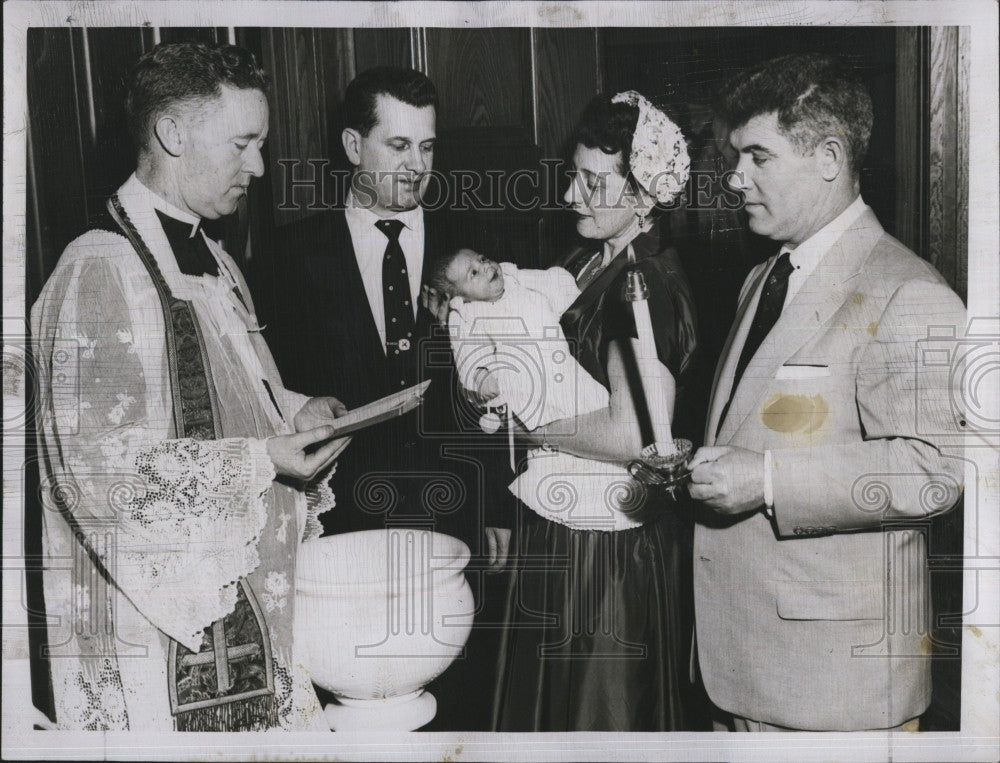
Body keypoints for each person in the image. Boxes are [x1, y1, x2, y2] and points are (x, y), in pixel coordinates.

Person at [30, 42, 352, 730]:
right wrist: (264, 459)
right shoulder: (99, 271)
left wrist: (297, 411)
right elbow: (99, 473)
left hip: (251, 603)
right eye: (243, 144)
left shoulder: (214, 258)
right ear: (173, 134)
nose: (259, 167)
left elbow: (228, 394)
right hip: (153, 636)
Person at [688, 53, 966, 732]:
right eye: (735, 156)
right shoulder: (764, 278)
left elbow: (938, 471)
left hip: (835, 688)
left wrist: (770, 478)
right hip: (745, 667)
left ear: (829, 157)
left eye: (758, 156)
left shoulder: (910, 291)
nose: (734, 177)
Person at [262, 66, 513, 730]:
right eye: (397, 146)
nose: (417, 165)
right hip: (342, 531)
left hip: (454, 520)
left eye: (427, 147)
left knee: (458, 708)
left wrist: (496, 501)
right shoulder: (293, 255)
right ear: (352, 147)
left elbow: (503, 378)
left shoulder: (472, 240)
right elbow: (270, 392)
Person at [491, 91, 707, 731]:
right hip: (567, 524)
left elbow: (630, 433)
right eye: (573, 176)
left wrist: (530, 426)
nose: (571, 196)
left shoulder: (648, 284)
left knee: (596, 715)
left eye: (592, 182)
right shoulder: (590, 261)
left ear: (643, 194)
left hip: (607, 555)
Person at [428, 247, 609, 432]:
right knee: (549, 437)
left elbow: (553, 282)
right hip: (523, 384)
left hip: (560, 367)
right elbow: (467, 352)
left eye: (482, 259)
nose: (485, 267)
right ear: (461, 297)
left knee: (592, 407)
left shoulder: (517, 280)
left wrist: (570, 298)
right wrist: (480, 375)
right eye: (473, 273)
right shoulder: (467, 314)